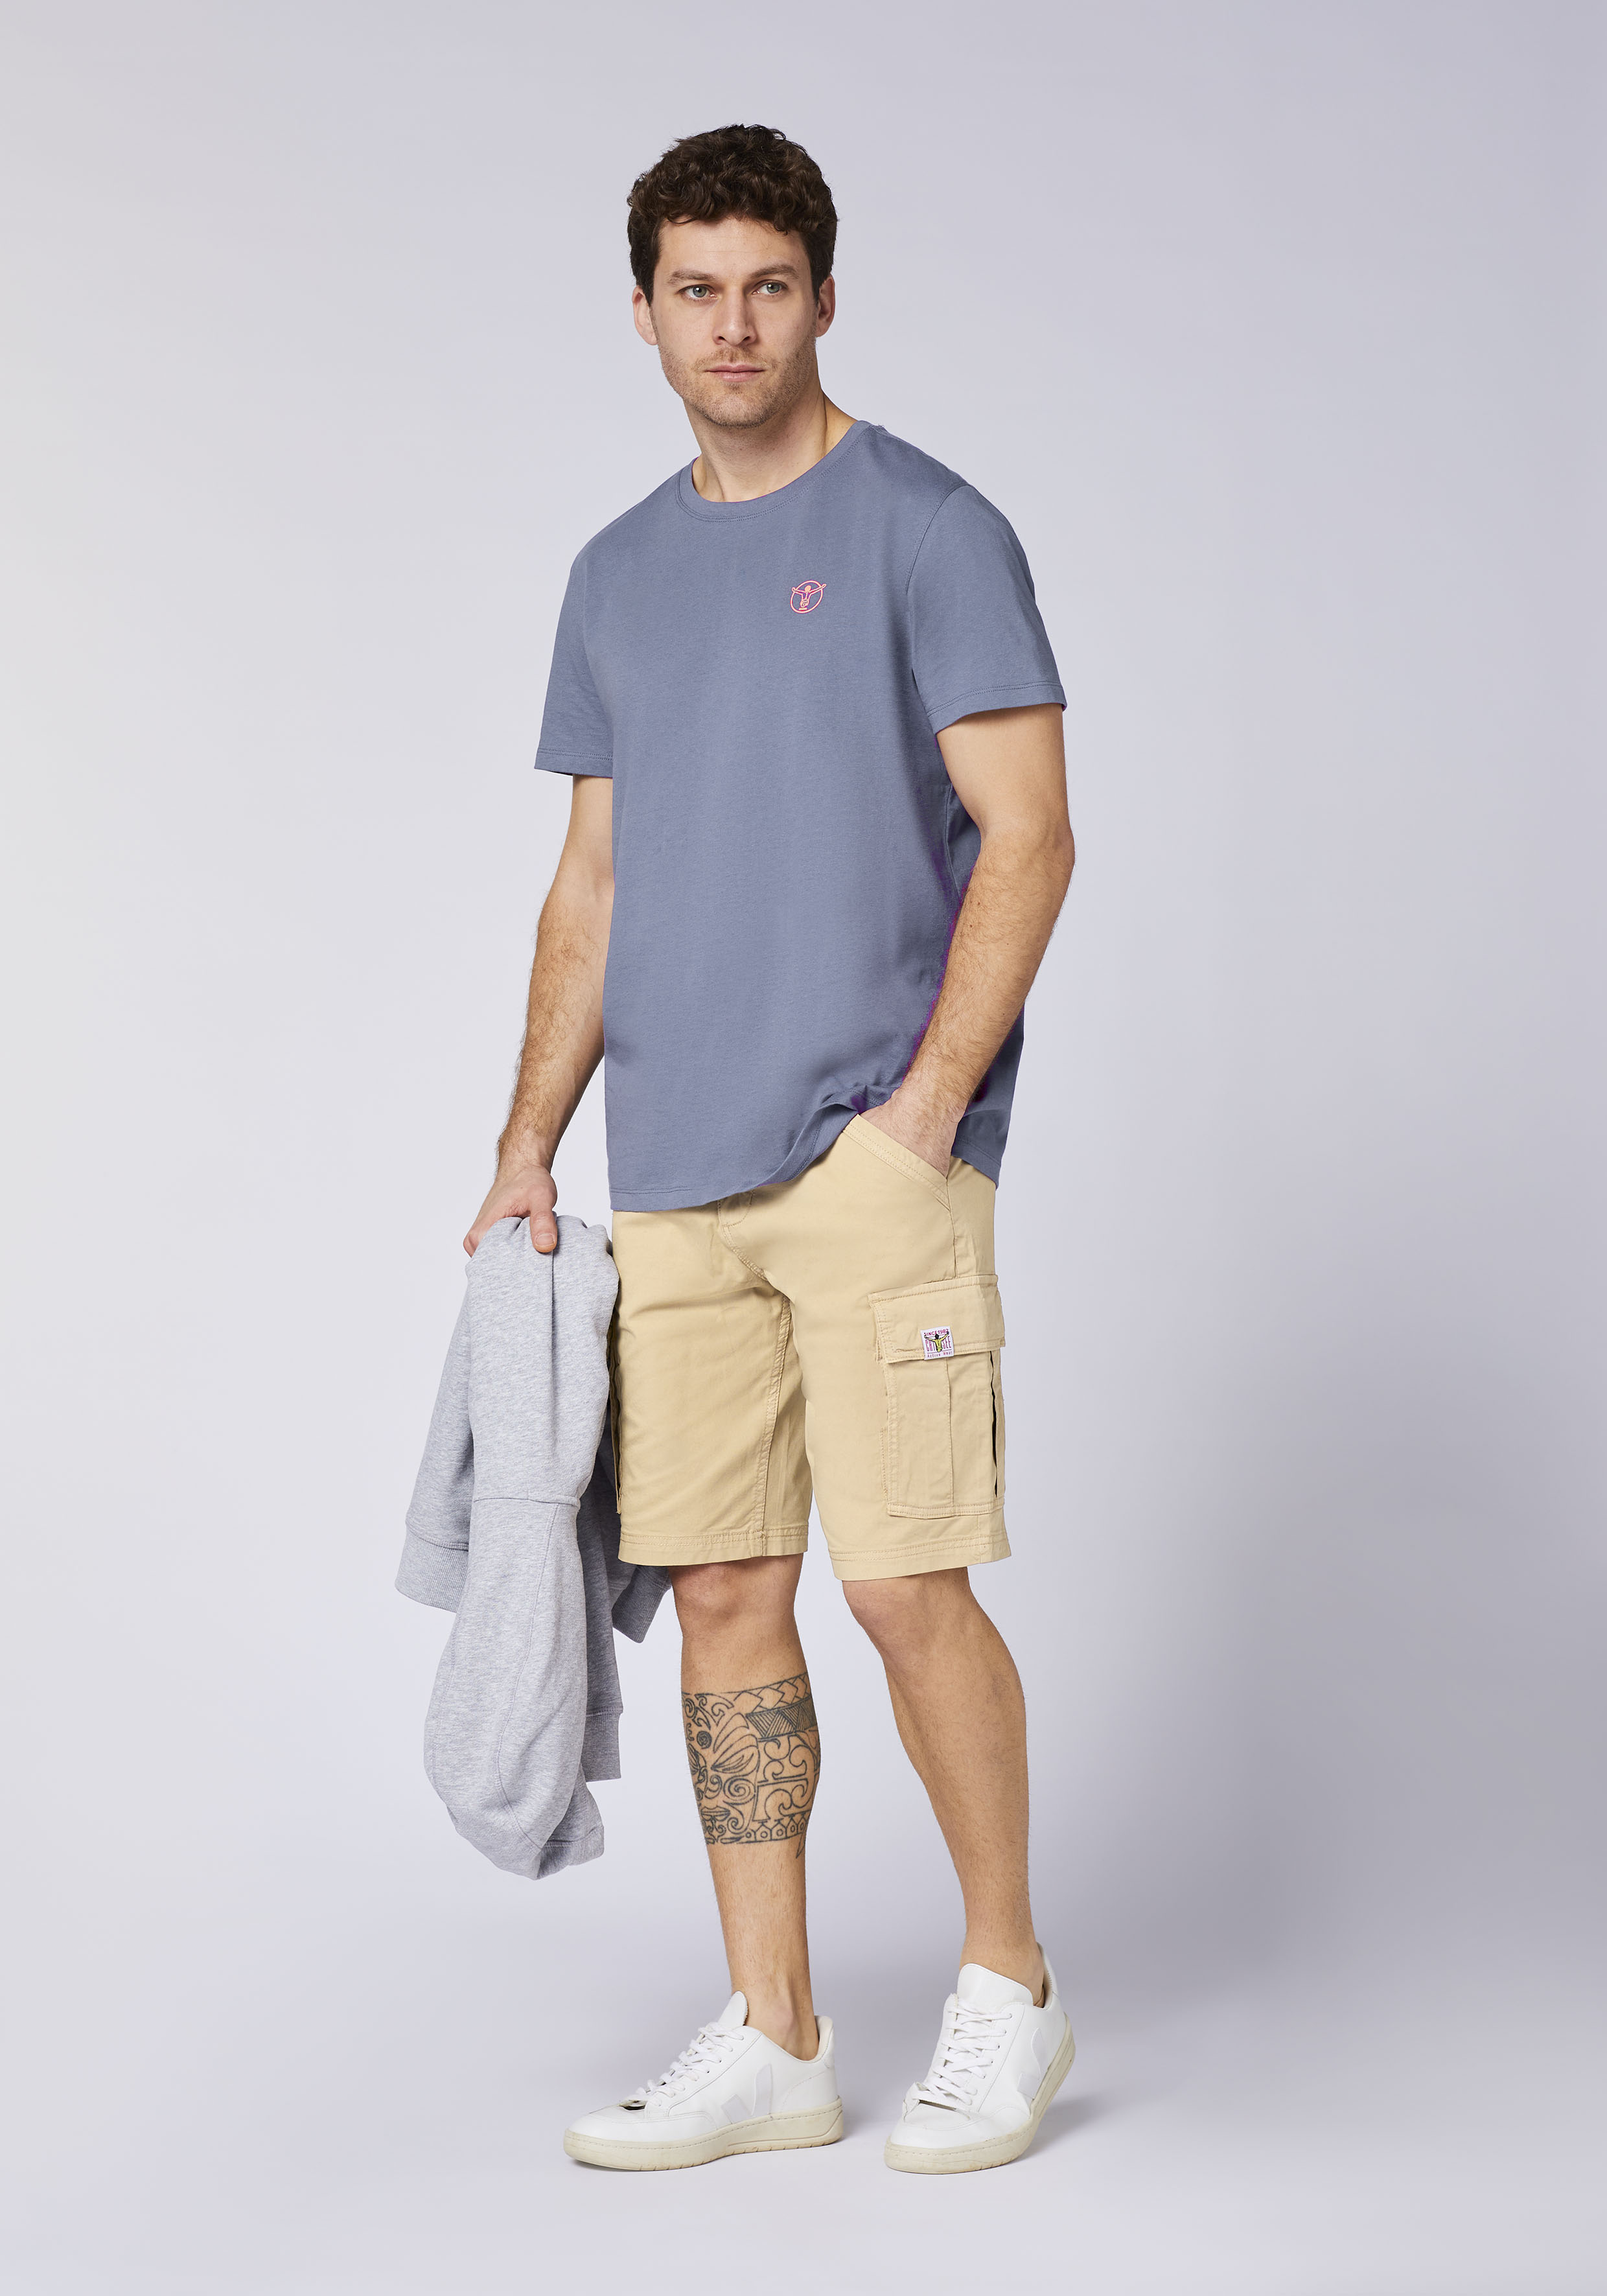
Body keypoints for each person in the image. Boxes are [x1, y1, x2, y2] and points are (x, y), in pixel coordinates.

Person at [464, 122, 1076, 2175]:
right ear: (644, 313)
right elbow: (592, 887)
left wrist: (924, 1116)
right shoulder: (615, 576)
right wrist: (529, 1143)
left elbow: (1031, 836)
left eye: (768, 287)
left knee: (904, 1587)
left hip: (871, 1167)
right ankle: (778, 2031)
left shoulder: (931, 529)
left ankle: (1009, 1988)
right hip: (674, 1175)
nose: (733, 325)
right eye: (696, 290)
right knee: (728, 1594)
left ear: (824, 296)